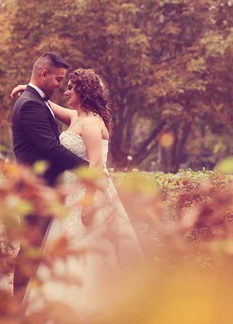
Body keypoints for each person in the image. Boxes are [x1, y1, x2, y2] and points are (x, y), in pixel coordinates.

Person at [11, 68, 146, 317]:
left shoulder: (92, 123)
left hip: (85, 195)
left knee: (85, 254)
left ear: (83, 91)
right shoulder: (77, 117)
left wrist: (88, 202)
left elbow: (95, 165)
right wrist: (27, 89)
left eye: (72, 87)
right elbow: (49, 105)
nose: (67, 91)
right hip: (69, 194)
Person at [10, 52, 88, 302]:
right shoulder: (31, 103)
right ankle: (18, 305)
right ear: (44, 74)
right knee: (31, 249)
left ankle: (28, 302)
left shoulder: (35, 99)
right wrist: (89, 170)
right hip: (36, 189)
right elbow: (51, 149)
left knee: (37, 248)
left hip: (43, 189)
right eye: (58, 79)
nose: (60, 85)